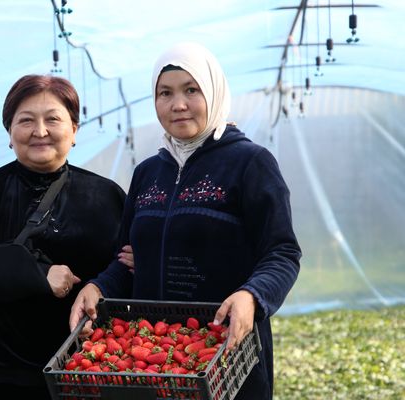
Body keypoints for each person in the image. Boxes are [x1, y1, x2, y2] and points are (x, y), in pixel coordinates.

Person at [70, 42, 301, 399]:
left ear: (213, 91)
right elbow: (129, 261)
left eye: (191, 90)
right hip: (154, 355)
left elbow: (282, 253)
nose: (178, 104)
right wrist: (99, 287)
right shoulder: (147, 173)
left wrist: (251, 295)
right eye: (165, 93)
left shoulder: (250, 163)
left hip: (226, 350)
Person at [0, 74, 130, 399]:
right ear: (9, 133)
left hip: (92, 371)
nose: (39, 131)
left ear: (74, 130)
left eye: (53, 119)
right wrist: (38, 275)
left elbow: (127, 271)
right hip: (6, 380)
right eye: (26, 120)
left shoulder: (107, 197)